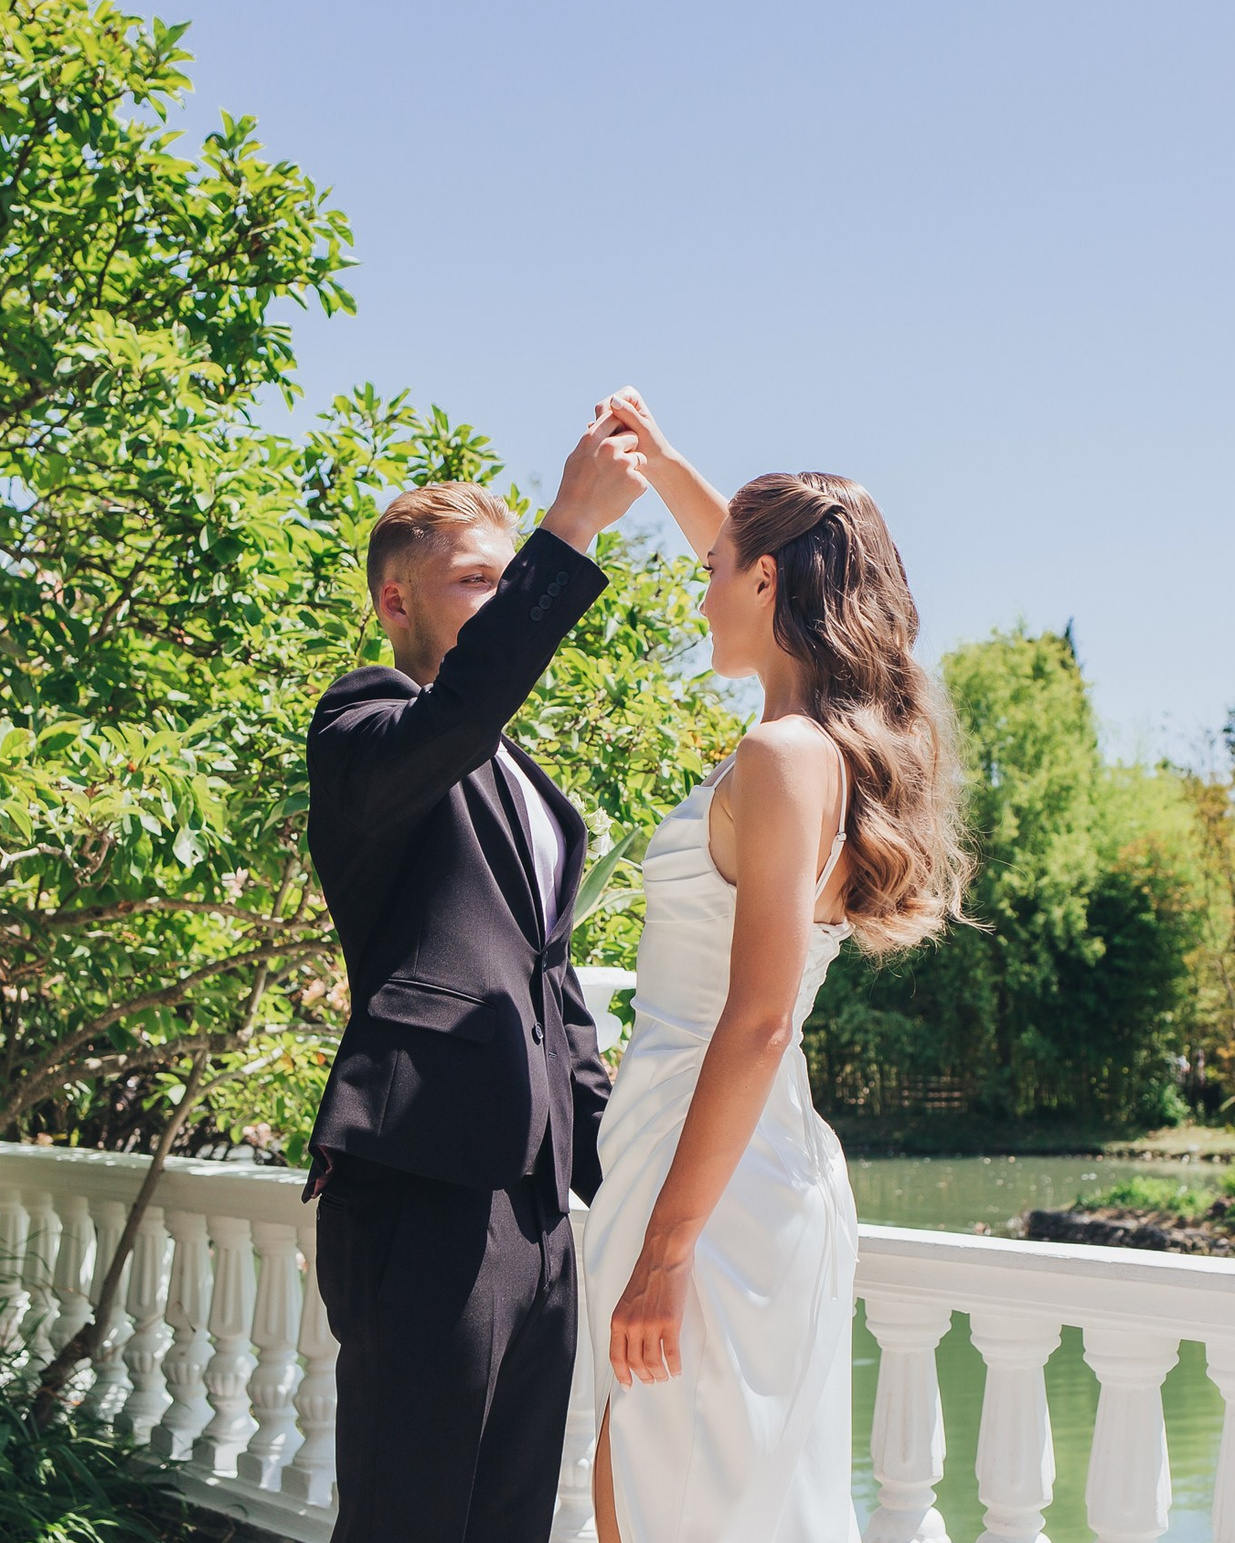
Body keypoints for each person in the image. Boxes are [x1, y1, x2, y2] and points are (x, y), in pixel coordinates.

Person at [583, 389, 972, 1542]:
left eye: (716, 568)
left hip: (713, 1185)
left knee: (684, 1504)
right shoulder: (816, 748)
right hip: (707, 1158)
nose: (697, 587)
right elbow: (745, 546)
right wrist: (659, 466)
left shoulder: (780, 755)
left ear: (764, 583)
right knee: (649, 1487)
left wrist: (665, 1247)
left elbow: (755, 1021)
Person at [303, 412, 647, 1543]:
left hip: (537, 1200)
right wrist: (570, 529)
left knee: (509, 1521)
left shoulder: (535, 793)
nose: (498, 602)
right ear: (396, 602)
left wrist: (636, 1179)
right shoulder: (363, 724)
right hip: (420, 1179)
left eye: (512, 583)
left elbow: (559, 1008)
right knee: (408, 1517)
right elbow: (456, 716)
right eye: (476, 581)